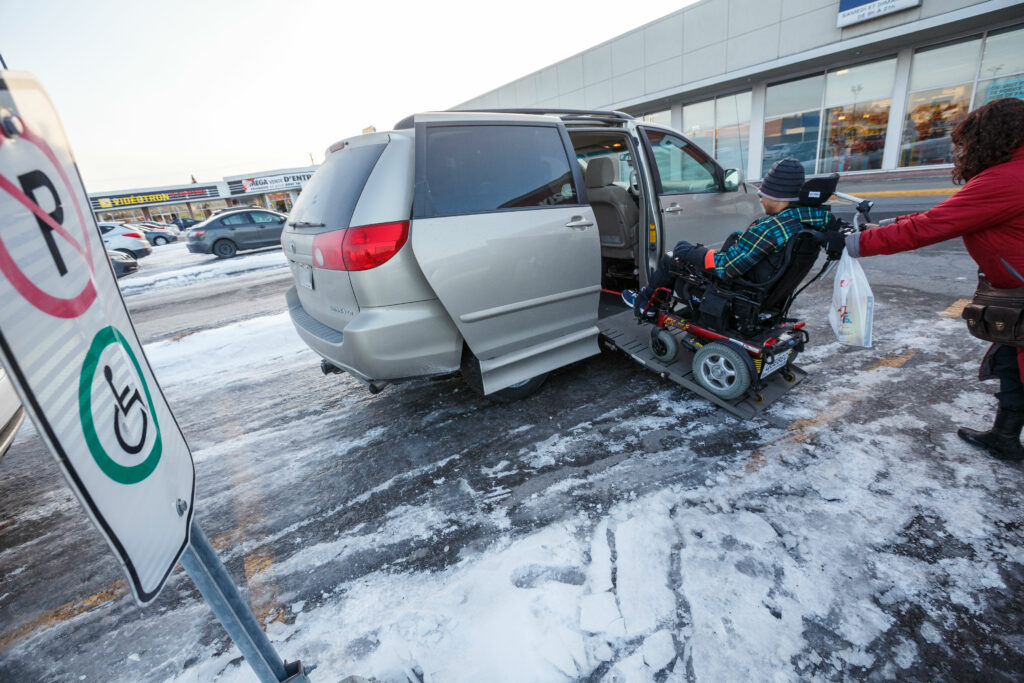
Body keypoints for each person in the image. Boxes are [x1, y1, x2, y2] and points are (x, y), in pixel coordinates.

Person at [828, 97, 1024, 462]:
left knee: (1015, 364)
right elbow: (944, 215)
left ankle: (1005, 436)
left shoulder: (1009, 179)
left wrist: (853, 243)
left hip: (1020, 293)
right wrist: (885, 226)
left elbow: (933, 226)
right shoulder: (1013, 172)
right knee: (1011, 361)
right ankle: (1005, 437)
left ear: (994, 137)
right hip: (1015, 295)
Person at [622, 157, 835, 314]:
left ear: (777, 197)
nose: (760, 199)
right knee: (711, 248)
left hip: (739, 295)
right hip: (769, 295)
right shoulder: (813, 221)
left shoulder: (771, 228)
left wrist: (691, 252)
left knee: (674, 256)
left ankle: (646, 304)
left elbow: (727, 267)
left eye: (764, 195)